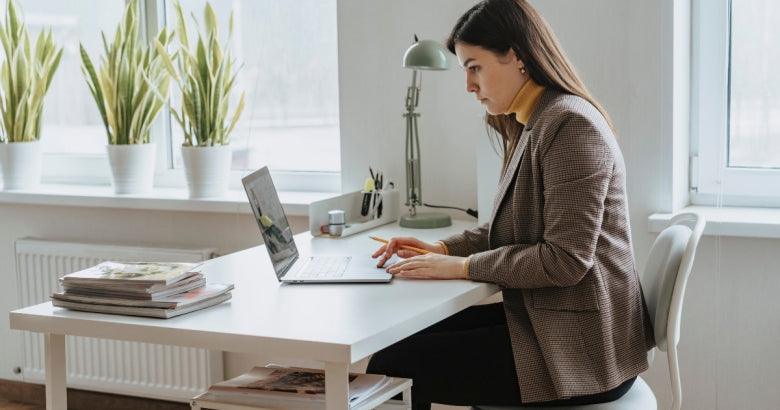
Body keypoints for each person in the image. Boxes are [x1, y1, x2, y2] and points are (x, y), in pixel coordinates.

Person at [367, 0, 655, 408]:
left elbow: (565, 260)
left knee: (393, 363)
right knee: (400, 346)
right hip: (549, 324)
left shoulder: (571, 126)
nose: (468, 85)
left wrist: (463, 267)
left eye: (474, 66)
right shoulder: (531, 121)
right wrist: (445, 249)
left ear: (516, 57)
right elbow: (509, 227)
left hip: (582, 351)